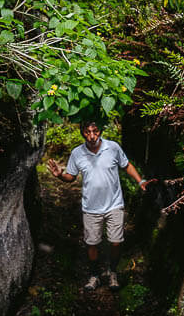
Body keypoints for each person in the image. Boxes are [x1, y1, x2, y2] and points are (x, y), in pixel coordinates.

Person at [45, 121, 148, 290]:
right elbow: (71, 177)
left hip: (114, 204)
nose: (92, 136)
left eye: (95, 131)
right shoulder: (77, 153)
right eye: (87, 132)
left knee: (116, 242)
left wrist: (140, 181)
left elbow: (126, 165)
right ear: (82, 133)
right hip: (91, 207)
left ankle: (112, 272)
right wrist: (59, 175)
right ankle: (94, 275)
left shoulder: (113, 148)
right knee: (92, 243)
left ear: (100, 131)